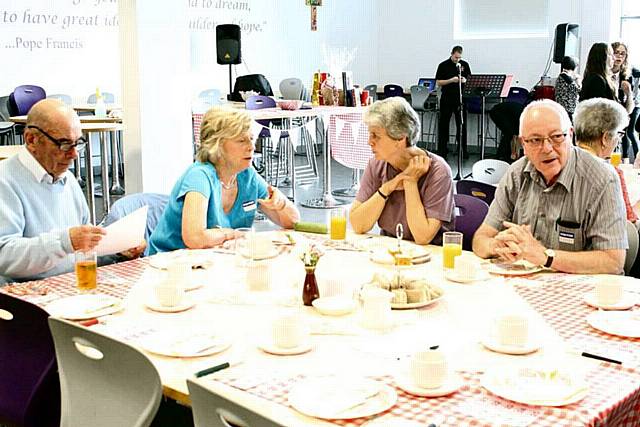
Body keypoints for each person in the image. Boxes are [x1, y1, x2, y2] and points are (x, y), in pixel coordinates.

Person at [472, 99, 627, 274]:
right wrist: (496, 245)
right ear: (523, 144)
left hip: (582, 290)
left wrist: (546, 256)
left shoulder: (602, 179)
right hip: (526, 285)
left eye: (556, 137)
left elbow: (613, 262)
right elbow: (480, 240)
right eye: (536, 140)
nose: (547, 148)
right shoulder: (516, 174)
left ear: (571, 135)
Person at [0, 99, 144, 284]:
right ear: (31, 140)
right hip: (24, 300)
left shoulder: (67, 180)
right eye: (64, 144)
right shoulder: (6, 181)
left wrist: (117, 251)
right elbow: (4, 255)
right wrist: (65, 242)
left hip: (71, 287)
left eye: (78, 143)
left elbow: (83, 253)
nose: (74, 154)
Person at [148, 107, 300, 254]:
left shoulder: (247, 175)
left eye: (251, 139)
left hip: (211, 262)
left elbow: (293, 222)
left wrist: (281, 204)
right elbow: (194, 238)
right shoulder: (199, 176)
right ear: (217, 145)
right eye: (241, 140)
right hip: (168, 264)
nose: (251, 147)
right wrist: (233, 235)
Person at [349, 97, 455, 245]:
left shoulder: (438, 171)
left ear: (400, 138)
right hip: (390, 249)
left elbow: (422, 237)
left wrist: (410, 182)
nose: (369, 141)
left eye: (376, 136)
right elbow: (358, 225)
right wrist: (387, 188)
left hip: (430, 255)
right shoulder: (376, 164)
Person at [574, 98, 636, 223]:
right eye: (619, 134)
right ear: (605, 137)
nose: (618, 140)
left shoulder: (560, 165)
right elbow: (629, 222)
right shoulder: (610, 174)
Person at [435, 45, 472, 159]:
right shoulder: (443, 65)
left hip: (460, 98)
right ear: (451, 54)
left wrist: (464, 80)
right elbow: (439, 82)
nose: (458, 60)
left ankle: (462, 150)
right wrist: (451, 80)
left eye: (459, 57)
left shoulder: (464, 65)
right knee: (443, 124)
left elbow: (470, 80)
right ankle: (442, 151)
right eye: (456, 57)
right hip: (447, 98)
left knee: (461, 124)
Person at [611, 42, 637, 161]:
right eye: (616, 52)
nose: (619, 57)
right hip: (606, 118)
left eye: (623, 54)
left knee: (627, 134)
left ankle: (625, 159)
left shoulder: (627, 76)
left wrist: (629, 93)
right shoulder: (604, 74)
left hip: (620, 117)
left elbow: (629, 109)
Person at [554, 56, 581, 122]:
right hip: (567, 109)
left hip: (562, 108)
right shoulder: (567, 78)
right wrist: (578, 81)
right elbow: (579, 90)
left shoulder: (563, 76)